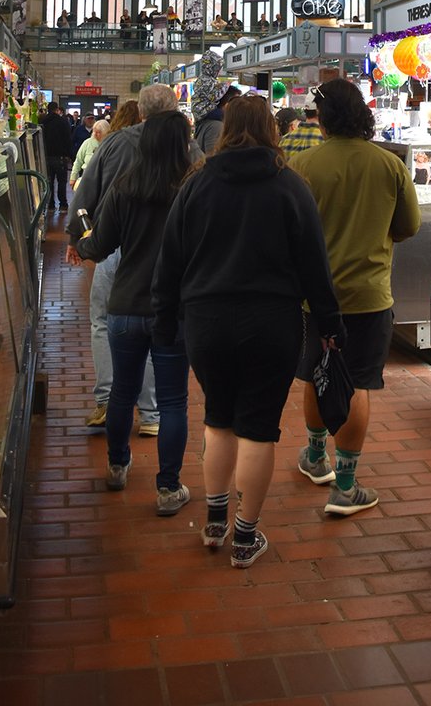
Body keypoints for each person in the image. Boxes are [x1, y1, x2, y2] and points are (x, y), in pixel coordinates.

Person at [152, 95, 342, 568]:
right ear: (272, 130)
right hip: (271, 323)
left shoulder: (195, 185)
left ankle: (214, 521)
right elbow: (315, 265)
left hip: (206, 321)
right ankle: (244, 537)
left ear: (225, 129)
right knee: (259, 427)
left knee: (218, 418)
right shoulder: (290, 187)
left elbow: (169, 261)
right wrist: (329, 323)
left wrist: (164, 318)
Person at [292, 79, 420, 516]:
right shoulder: (388, 165)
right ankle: (345, 485)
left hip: (314, 297)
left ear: (323, 119)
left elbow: (291, 230)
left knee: (314, 372)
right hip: (369, 295)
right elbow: (409, 226)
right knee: (359, 383)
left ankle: (314, 457)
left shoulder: (304, 164)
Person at [72, 112, 194, 512]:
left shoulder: (126, 186)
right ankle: (167, 488)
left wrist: (83, 244)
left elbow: (101, 245)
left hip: (125, 306)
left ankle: (116, 466)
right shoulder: (193, 188)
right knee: (173, 401)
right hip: (174, 310)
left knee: (123, 391)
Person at [41, 101, 73, 211]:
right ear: (57, 109)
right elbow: (68, 140)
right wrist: (70, 155)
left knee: (49, 181)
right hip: (60, 158)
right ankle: (63, 204)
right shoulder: (63, 122)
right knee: (62, 182)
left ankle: (50, 204)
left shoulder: (42, 122)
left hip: (46, 157)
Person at [70, 117, 109, 191]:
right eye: (95, 131)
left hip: (104, 181)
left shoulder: (110, 144)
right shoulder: (87, 143)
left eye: (99, 132)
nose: (96, 134)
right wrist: (73, 178)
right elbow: (78, 161)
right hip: (87, 180)